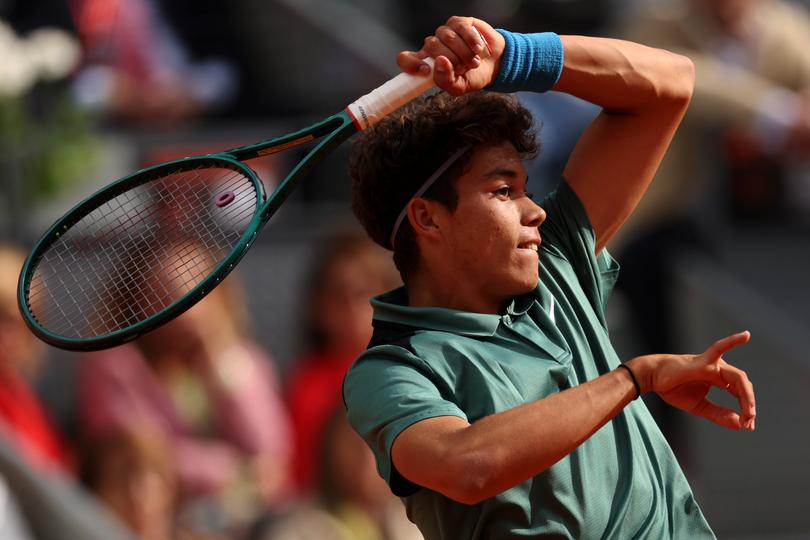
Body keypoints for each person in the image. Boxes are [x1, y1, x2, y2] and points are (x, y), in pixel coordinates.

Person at [343, 15, 756, 539]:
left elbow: (671, 84)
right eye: (503, 191)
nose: (534, 211)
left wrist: (511, 56)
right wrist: (634, 379)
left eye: (526, 188)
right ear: (427, 218)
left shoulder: (558, 266)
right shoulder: (389, 369)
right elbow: (466, 466)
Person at [285, 232, 401, 495]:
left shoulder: (410, 368)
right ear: (318, 307)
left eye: (362, 292)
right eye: (338, 294)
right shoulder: (306, 383)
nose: (351, 307)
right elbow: (300, 473)